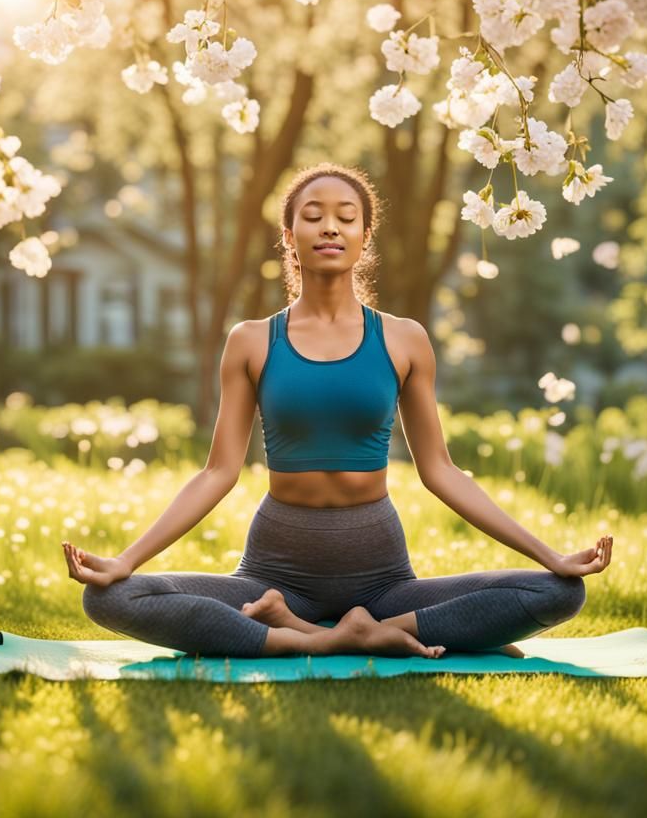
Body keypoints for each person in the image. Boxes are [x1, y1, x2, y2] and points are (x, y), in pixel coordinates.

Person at [64, 163, 613, 659]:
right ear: (289, 236)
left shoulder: (404, 339)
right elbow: (218, 472)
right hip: (273, 573)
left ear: (364, 236)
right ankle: (333, 637)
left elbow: (440, 470)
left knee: (559, 591)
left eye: (346, 217)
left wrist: (551, 555)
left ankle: (348, 629)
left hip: (382, 580)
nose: (330, 227)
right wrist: (126, 561)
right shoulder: (252, 341)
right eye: (313, 216)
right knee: (111, 599)